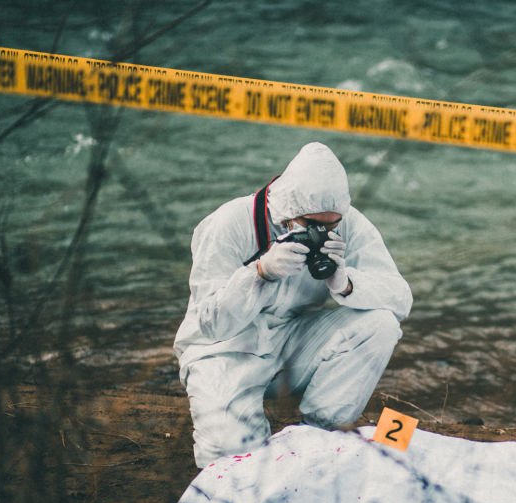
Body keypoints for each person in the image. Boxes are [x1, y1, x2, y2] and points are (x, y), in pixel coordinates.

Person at [174, 142, 412, 468]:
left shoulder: (348, 223)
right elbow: (211, 324)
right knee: (232, 461)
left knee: (381, 324)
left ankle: (319, 431)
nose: (322, 232)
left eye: (331, 225)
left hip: (291, 342)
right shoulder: (229, 223)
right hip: (223, 349)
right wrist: (258, 273)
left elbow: (399, 298)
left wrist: (347, 283)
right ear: (286, 213)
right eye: (313, 224)